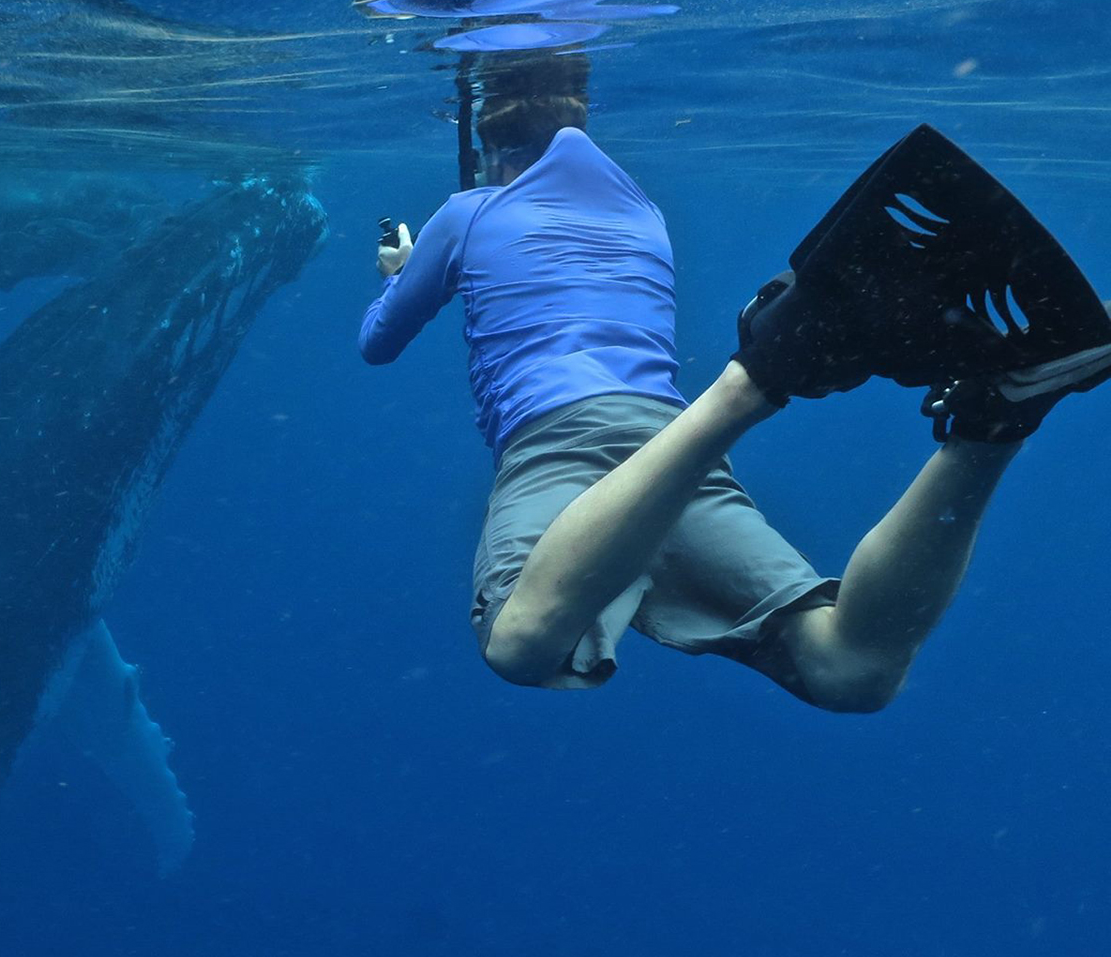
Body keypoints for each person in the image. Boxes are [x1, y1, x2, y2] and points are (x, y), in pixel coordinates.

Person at [359, 50, 1111, 711]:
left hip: (557, 442)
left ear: (488, 139)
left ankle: (754, 380)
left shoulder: (464, 214)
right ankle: (990, 425)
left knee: (521, 642)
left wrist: (399, 272)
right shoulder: (640, 210)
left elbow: (379, 343)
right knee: (851, 671)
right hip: (667, 441)